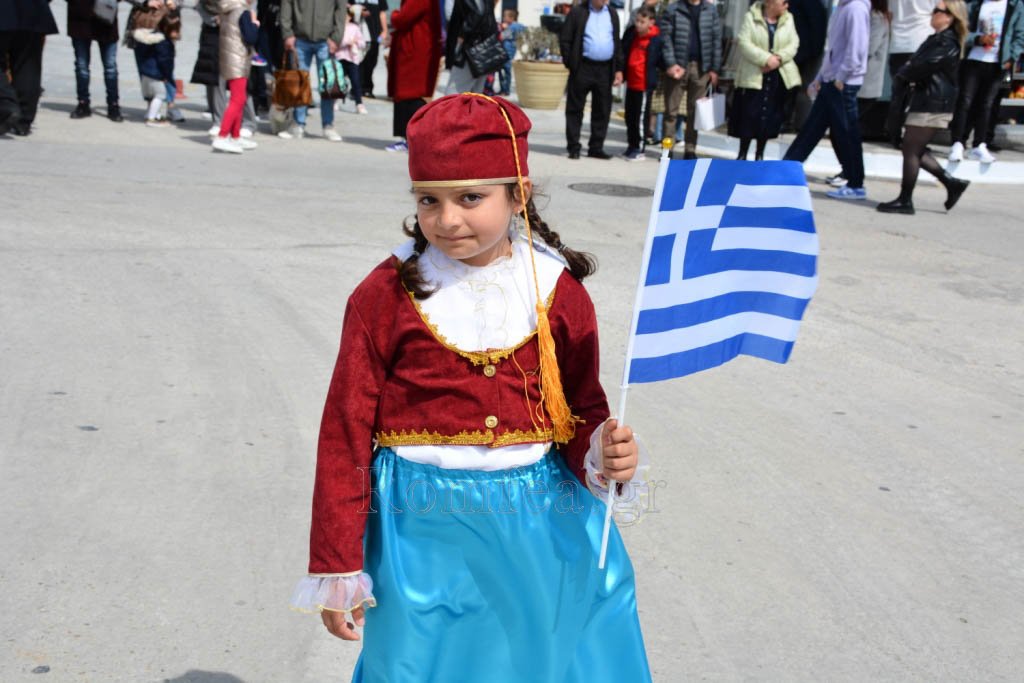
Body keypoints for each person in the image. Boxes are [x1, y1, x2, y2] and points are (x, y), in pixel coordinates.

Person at [288, 92, 652, 681]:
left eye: (470, 197)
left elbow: (582, 408)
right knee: (419, 662)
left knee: (538, 655)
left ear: (519, 195)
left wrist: (603, 453)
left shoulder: (557, 291)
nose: (447, 218)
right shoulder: (384, 295)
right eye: (429, 200)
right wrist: (338, 562)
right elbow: (345, 431)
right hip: (417, 529)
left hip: (534, 522)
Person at [878, 0, 971, 214]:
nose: (932, 14)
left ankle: (905, 199)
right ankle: (951, 183)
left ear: (949, 16)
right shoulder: (937, 39)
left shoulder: (947, 41)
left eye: (937, 11)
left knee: (910, 149)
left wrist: (906, 72)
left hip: (933, 103)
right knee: (914, 149)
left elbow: (923, 66)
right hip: (926, 100)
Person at [782, 0, 871, 200]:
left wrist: (841, 76)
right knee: (812, 129)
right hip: (833, 79)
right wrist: (821, 78)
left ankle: (856, 184)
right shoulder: (842, 7)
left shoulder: (855, 8)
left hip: (843, 82)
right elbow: (833, 50)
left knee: (848, 133)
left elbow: (856, 48)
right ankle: (787, 168)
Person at [948, 0, 1024, 163]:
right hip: (973, 60)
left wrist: (1012, 56)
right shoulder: (976, 4)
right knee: (965, 100)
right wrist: (978, 39)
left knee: (989, 102)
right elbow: (961, 29)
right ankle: (958, 142)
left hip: (1000, 64)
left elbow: (1020, 34)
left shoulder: (1014, 5)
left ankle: (982, 142)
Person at [729, 0, 800, 160]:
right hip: (754, 74)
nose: (786, 5)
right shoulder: (750, 17)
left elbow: (794, 43)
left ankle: (760, 153)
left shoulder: (789, 19)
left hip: (777, 75)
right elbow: (744, 42)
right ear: (771, 3)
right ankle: (743, 153)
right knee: (749, 114)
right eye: (783, 2)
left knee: (769, 115)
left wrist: (779, 59)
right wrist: (766, 59)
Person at [658, 0, 723, 159]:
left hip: (701, 68)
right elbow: (665, 39)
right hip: (678, 67)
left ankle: (690, 149)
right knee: (670, 112)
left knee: (695, 113)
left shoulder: (710, 10)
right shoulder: (673, 9)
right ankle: (668, 149)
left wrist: (714, 68)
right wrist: (671, 64)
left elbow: (716, 40)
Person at [560, 0, 625, 159]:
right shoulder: (577, 12)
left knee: (602, 109)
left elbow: (616, 41)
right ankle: (574, 146)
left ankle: (596, 147)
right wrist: (571, 63)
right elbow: (565, 39)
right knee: (575, 108)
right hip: (582, 67)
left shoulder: (612, 13)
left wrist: (618, 68)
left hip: (605, 68)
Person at [280, 0, 346, 141]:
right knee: (300, 83)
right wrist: (287, 33)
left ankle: (328, 125)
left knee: (328, 85)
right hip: (300, 38)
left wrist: (336, 37)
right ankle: (298, 124)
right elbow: (286, 4)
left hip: (326, 40)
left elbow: (341, 9)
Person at [384, 0, 441, 152]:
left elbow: (402, 18)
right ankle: (410, 139)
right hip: (417, 49)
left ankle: (409, 139)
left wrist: (395, 15)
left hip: (414, 51)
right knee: (412, 94)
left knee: (409, 94)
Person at [0, 0, 58, 136]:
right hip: (34, 13)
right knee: (28, 66)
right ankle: (24, 121)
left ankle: (6, 104)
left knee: (27, 65)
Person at [212, 0, 259, 152]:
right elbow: (251, 37)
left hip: (230, 56)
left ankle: (236, 136)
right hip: (237, 58)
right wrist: (255, 24)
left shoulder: (228, 8)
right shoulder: (243, 11)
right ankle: (222, 135)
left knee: (239, 97)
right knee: (237, 99)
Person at [66, 0, 125, 121]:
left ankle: (113, 104)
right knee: (82, 66)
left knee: (110, 67)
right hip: (80, 20)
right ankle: (83, 103)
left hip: (106, 19)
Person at [128, 0, 180, 127]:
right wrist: (145, 2)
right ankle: (151, 114)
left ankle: (163, 108)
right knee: (159, 89)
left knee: (152, 71)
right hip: (146, 21)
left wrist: (174, 3)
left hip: (163, 21)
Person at [622, 6, 662, 160]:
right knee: (630, 116)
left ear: (651, 22)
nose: (638, 24)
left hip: (643, 84)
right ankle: (631, 144)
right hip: (631, 82)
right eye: (637, 21)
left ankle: (639, 148)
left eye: (642, 22)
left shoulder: (655, 39)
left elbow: (662, 59)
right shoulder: (632, 35)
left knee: (640, 118)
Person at [444, 0, 500, 95]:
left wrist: (463, 35)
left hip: (469, 51)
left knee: (453, 94)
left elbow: (457, 26)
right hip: (484, 51)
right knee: (476, 95)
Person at [889, 0, 936, 76]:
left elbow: (889, 15)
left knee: (899, 84)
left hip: (898, 44)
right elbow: (942, 11)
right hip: (924, 42)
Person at [337, 5, 368, 114]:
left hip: (352, 59)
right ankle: (335, 101)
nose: (345, 17)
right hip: (340, 57)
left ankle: (359, 103)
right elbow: (335, 42)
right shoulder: (337, 27)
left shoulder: (355, 28)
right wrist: (346, 43)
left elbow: (363, 43)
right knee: (339, 81)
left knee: (356, 81)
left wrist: (356, 42)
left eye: (347, 15)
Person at [358, 0, 388, 98]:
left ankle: (367, 88)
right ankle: (357, 88)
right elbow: (347, 7)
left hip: (374, 34)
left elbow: (382, 13)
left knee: (371, 62)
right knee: (358, 62)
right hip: (357, 34)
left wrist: (384, 31)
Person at [498, 9, 525, 96]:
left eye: (505, 16)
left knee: (504, 70)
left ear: (511, 17)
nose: (503, 18)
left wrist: (502, 29)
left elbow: (502, 37)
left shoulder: (511, 27)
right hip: (513, 49)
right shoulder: (520, 26)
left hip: (506, 49)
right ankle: (506, 89)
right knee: (507, 70)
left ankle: (504, 90)